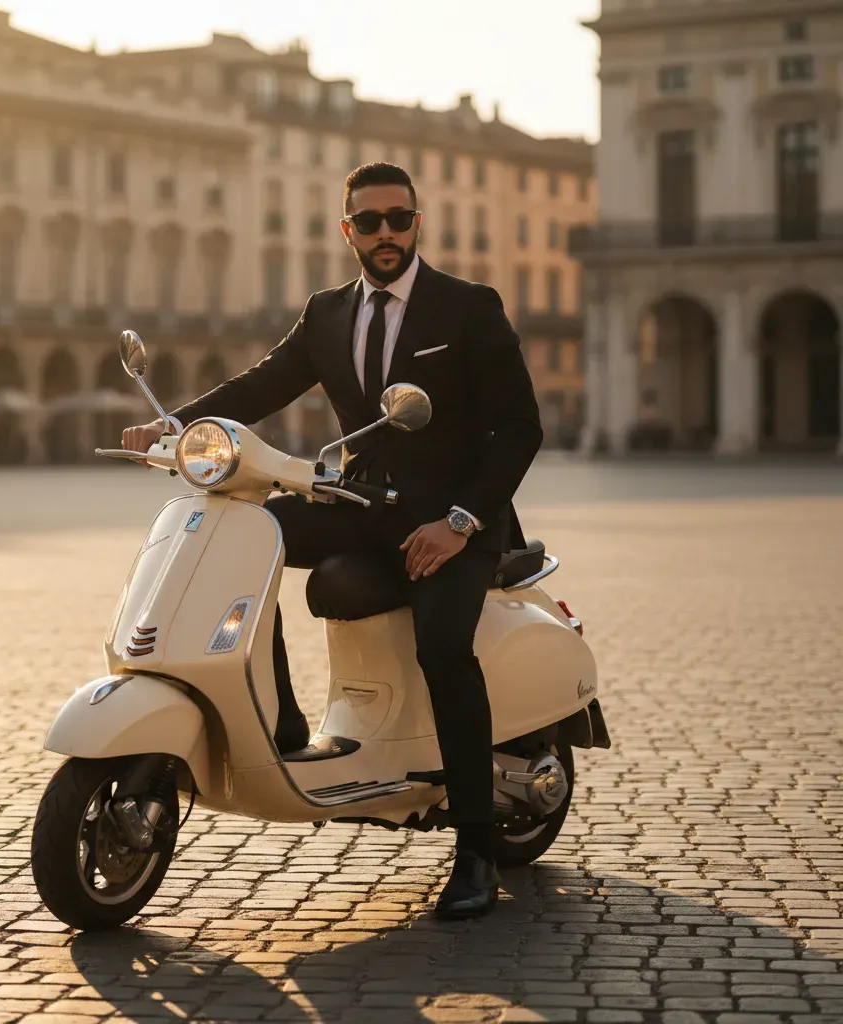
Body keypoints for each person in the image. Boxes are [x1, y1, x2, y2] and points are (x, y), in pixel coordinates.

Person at [123, 162, 543, 919]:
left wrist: (458, 524)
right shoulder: (327, 313)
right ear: (345, 230)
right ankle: (282, 723)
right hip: (365, 506)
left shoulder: (467, 308)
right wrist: (175, 423)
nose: (386, 233)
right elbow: (261, 384)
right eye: (370, 221)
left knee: (444, 649)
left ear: (418, 224)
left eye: (399, 219)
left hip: (453, 524)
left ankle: (475, 847)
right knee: (246, 534)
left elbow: (520, 429)